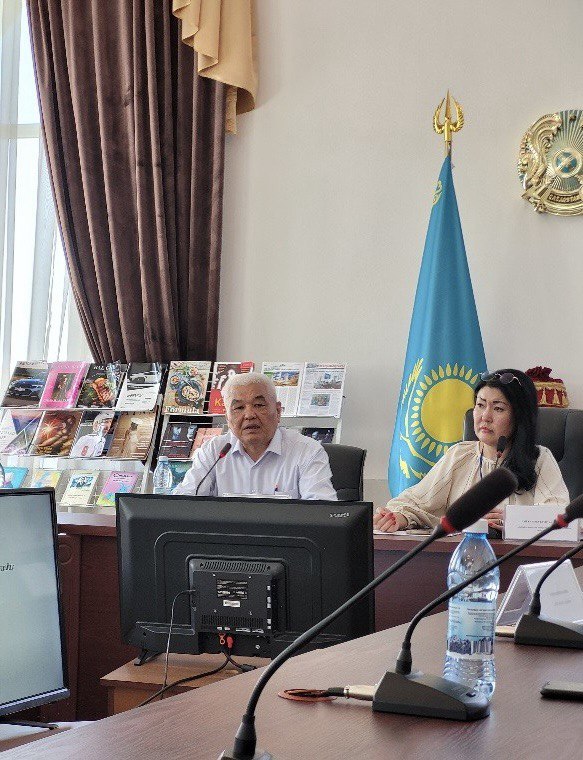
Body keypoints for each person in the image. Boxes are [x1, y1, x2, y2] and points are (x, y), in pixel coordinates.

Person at [374, 369, 569, 533]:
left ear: (519, 417)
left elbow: (561, 518)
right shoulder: (460, 455)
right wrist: (397, 518)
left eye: (498, 408)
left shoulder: (539, 459)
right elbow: (414, 503)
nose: (485, 416)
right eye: (480, 405)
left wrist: (515, 521)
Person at [174, 372, 337, 500]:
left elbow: (321, 513)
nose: (249, 415)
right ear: (227, 418)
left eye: (259, 405)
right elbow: (184, 503)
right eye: (238, 408)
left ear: (278, 411)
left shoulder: (307, 451)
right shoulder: (213, 452)